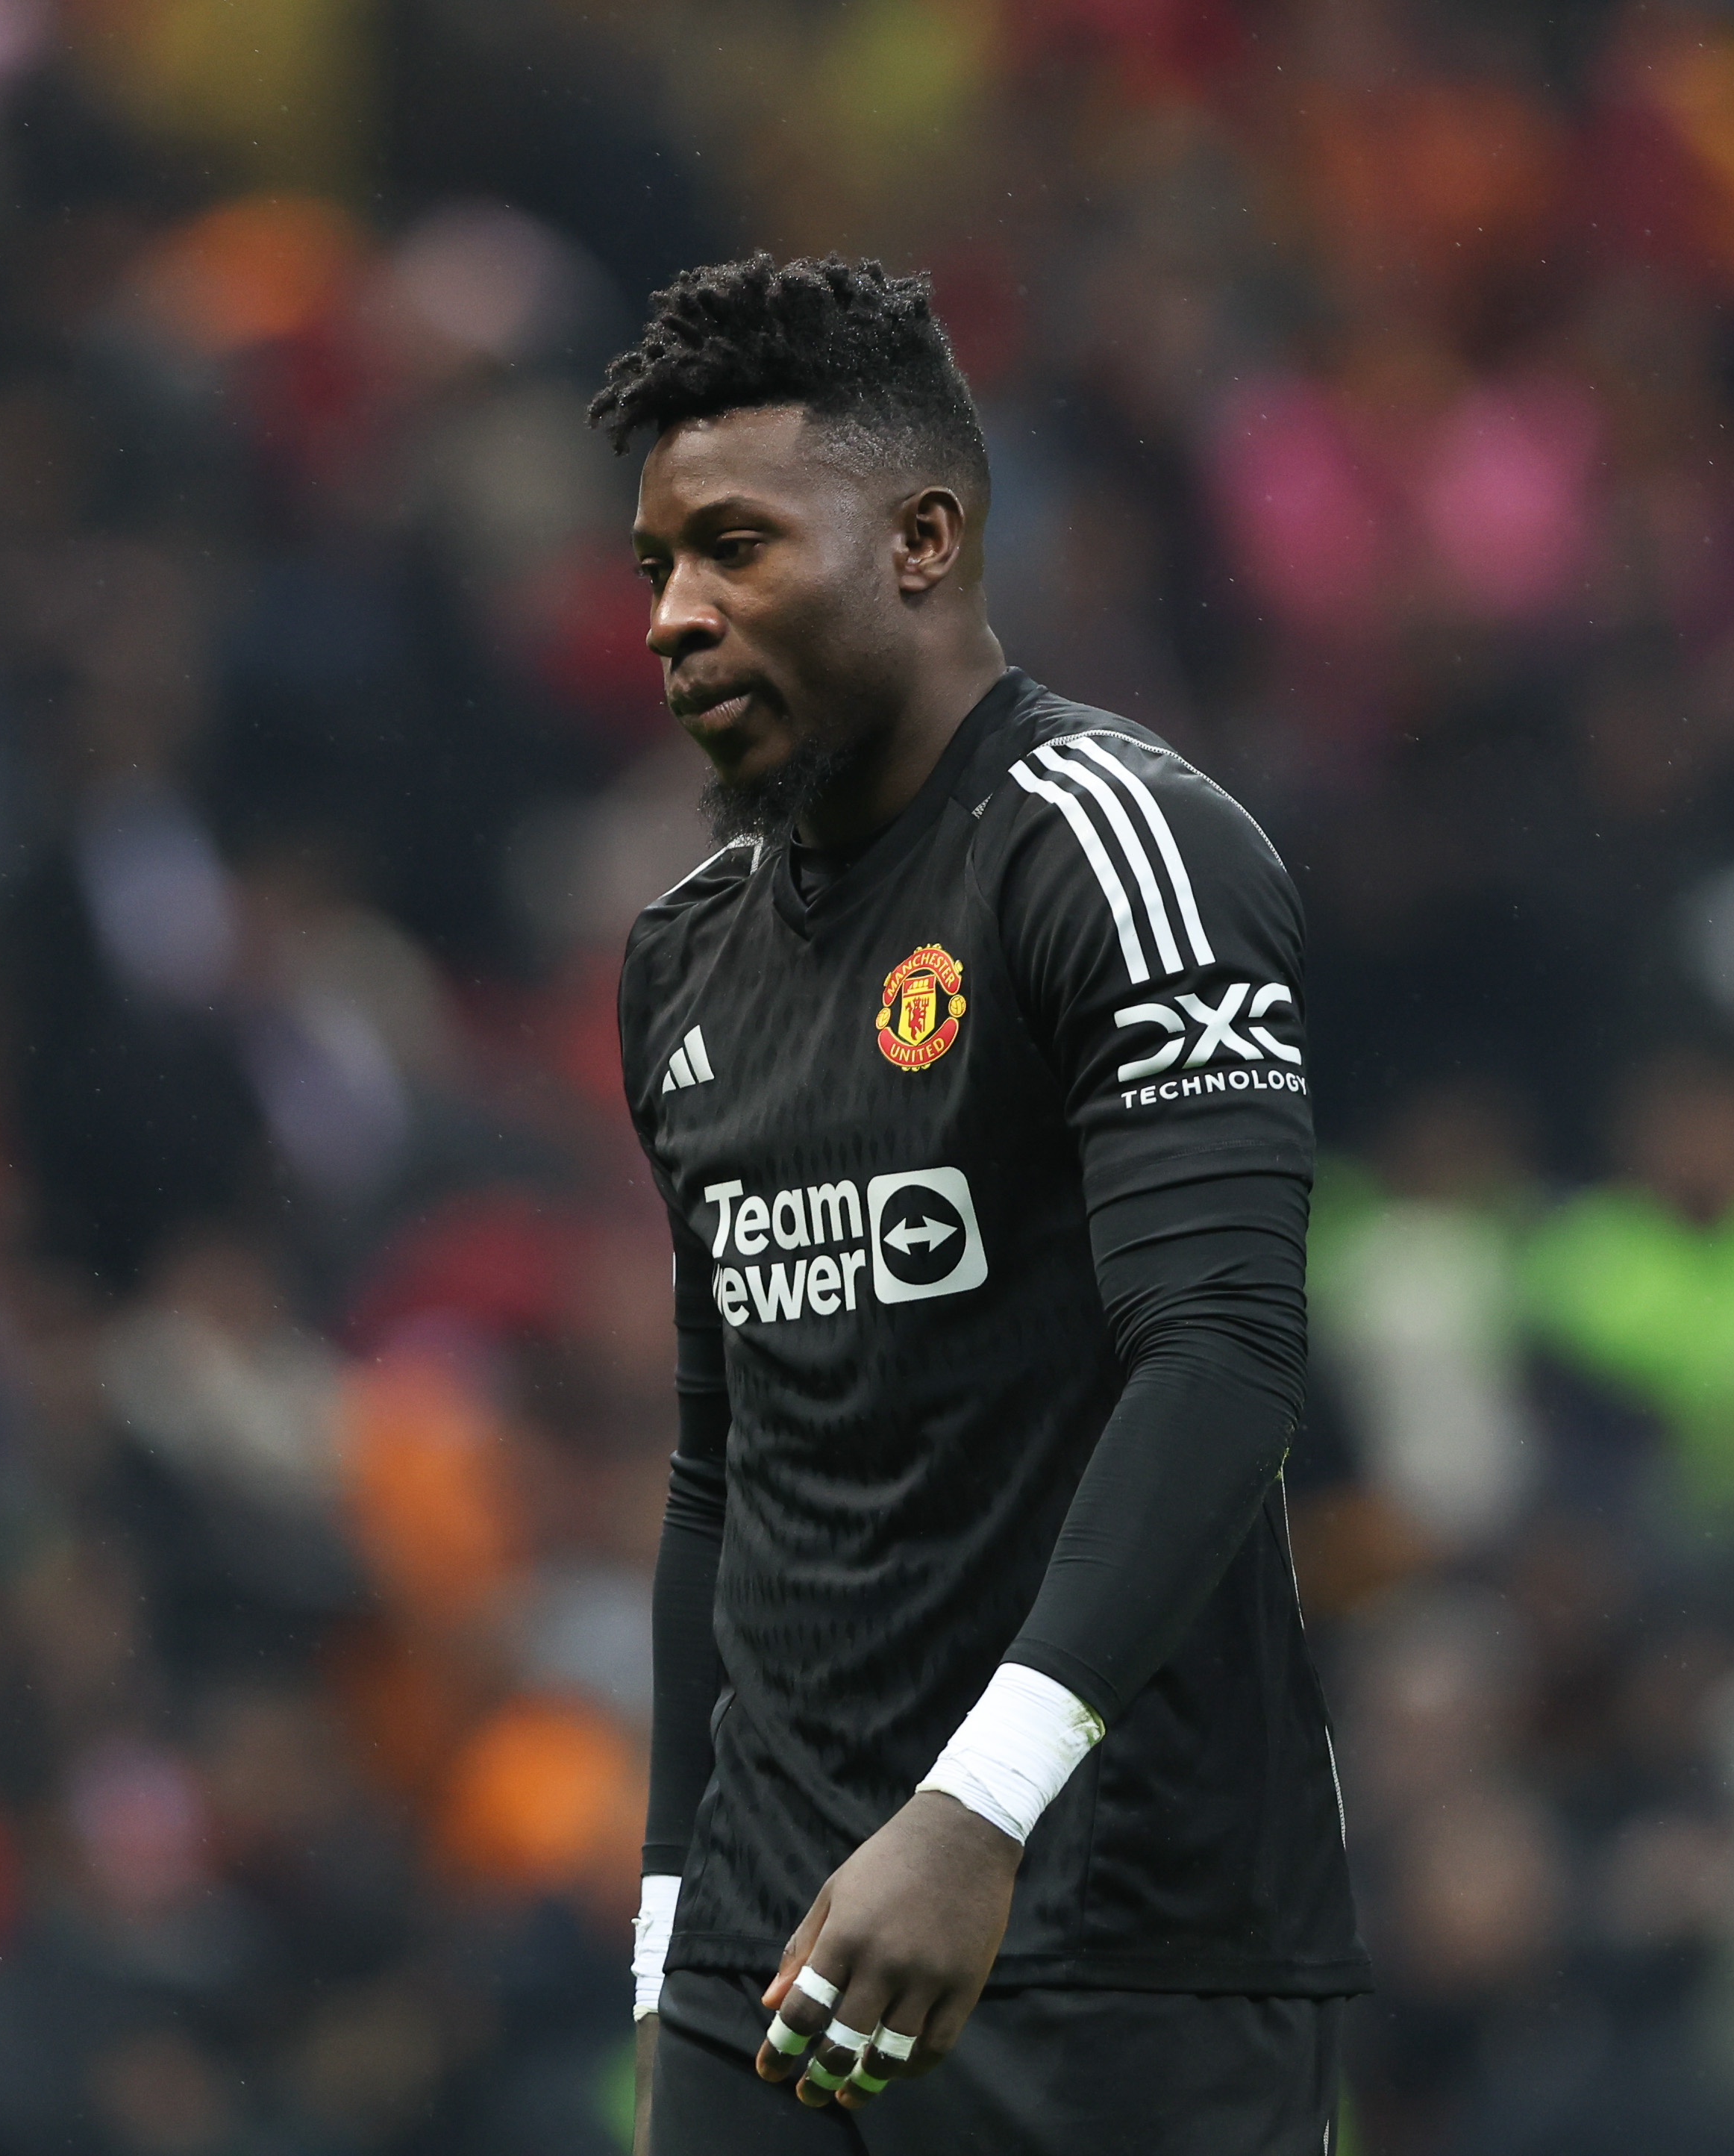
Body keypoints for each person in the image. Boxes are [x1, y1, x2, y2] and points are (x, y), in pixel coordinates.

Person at [593, 255, 1365, 2153]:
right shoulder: (682, 961)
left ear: (922, 537)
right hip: (767, 1955)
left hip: (1101, 1932)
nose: (676, 619)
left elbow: (1222, 1356)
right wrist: (671, 1915)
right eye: (656, 569)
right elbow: (724, 1466)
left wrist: (975, 1807)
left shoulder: (1119, 846)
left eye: (736, 549)